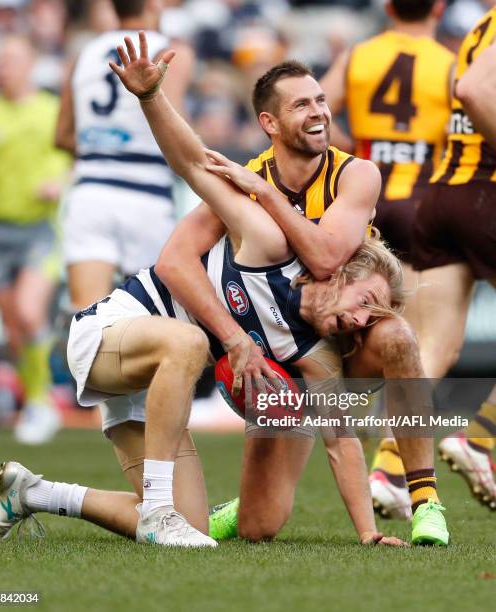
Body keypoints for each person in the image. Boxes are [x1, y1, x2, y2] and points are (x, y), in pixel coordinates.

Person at [0, 33, 409, 549]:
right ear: (340, 274)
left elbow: (342, 445)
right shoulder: (269, 240)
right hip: (112, 334)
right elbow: (190, 162)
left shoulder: (316, 354)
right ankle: (160, 509)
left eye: (322, 100)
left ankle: (35, 493)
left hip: (164, 383)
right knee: (188, 343)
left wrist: (368, 533)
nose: (361, 322)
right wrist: (150, 97)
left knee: (200, 528)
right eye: (365, 302)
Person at [154, 54, 449, 544]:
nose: (318, 113)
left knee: (396, 335)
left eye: (321, 101)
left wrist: (264, 196)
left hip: (345, 343)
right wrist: (232, 340)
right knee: (258, 528)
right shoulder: (245, 179)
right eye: (301, 105)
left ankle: (425, 501)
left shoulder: (355, 174)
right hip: (282, 360)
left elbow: (330, 257)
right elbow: (174, 260)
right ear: (269, 123)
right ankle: (244, 508)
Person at [319, 0, 454, 520]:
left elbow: (313, 114)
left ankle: (361, 450)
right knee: (417, 341)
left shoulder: (360, 56)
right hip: (425, 200)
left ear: (388, 6)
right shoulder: (450, 63)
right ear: (439, 6)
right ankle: (391, 464)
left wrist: (361, 149)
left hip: (369, 197)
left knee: (355, 332)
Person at [56, 0, 194, 312]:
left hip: (90, 192)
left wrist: (105, 145)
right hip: (147, 194)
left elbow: (62, 136)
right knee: (151, 317)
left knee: (85, 316)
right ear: (154, 5)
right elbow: (178, 134)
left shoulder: (84, 54)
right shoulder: (172, 52)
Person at [411, 6, 496, 510]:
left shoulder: (482, 19)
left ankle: (393, 470)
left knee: (431, 349)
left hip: (442, 192)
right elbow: (473, 90)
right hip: (487, 191)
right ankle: (481, 439)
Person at [0, 35, 70, 444]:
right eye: (1, 60)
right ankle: (36, 398)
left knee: (30, 313)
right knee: (14, 326)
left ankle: (41, 400)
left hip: (39, 228)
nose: (3, 67)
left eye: (13, 59)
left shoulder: (51, 111)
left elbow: (73, 158)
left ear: (30, 64)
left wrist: (59, 183)